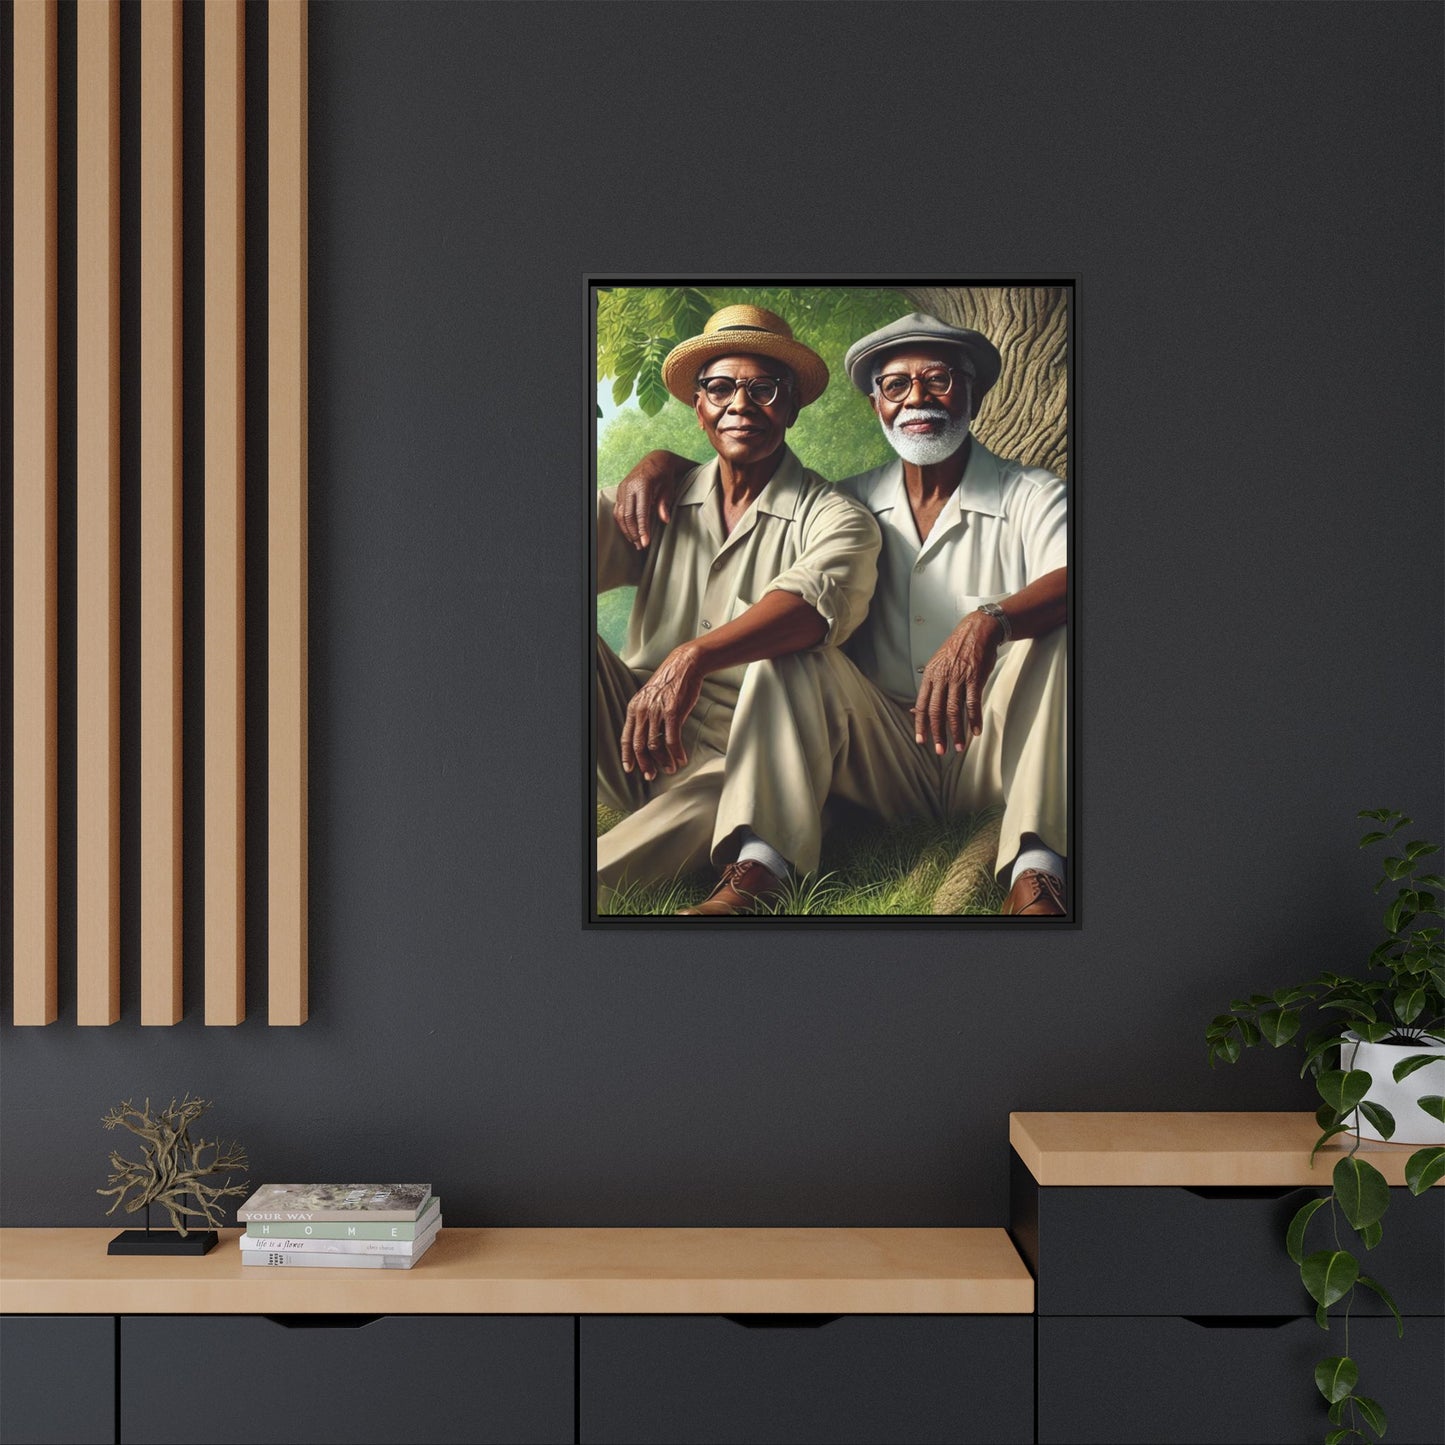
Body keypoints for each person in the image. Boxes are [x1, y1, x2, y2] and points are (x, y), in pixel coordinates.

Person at [613, 310, 1069, 916]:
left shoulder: (1033, 493)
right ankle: (758, 874)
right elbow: (754, 504)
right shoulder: (849, 501)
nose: (917, 399)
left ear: (973, 391)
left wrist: (989, 622)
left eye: (938, 380)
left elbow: (1076, 575)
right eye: (896, 385)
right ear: (876, 403)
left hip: (997, 744)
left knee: (1058, 633)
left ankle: (1036, 874)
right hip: (884, 755)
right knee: (793, 652)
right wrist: (665, 461)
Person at [596, 305, 880, 914]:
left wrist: (692, 657)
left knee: (710, 811)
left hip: (742, 762)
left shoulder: (835, 517)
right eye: (721, 388)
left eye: (763, 389)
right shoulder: (660, 497)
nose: (740, 405)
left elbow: (813, 608)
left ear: (793, 404)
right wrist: (651, 465)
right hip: (629, 731)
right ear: (698, 406)